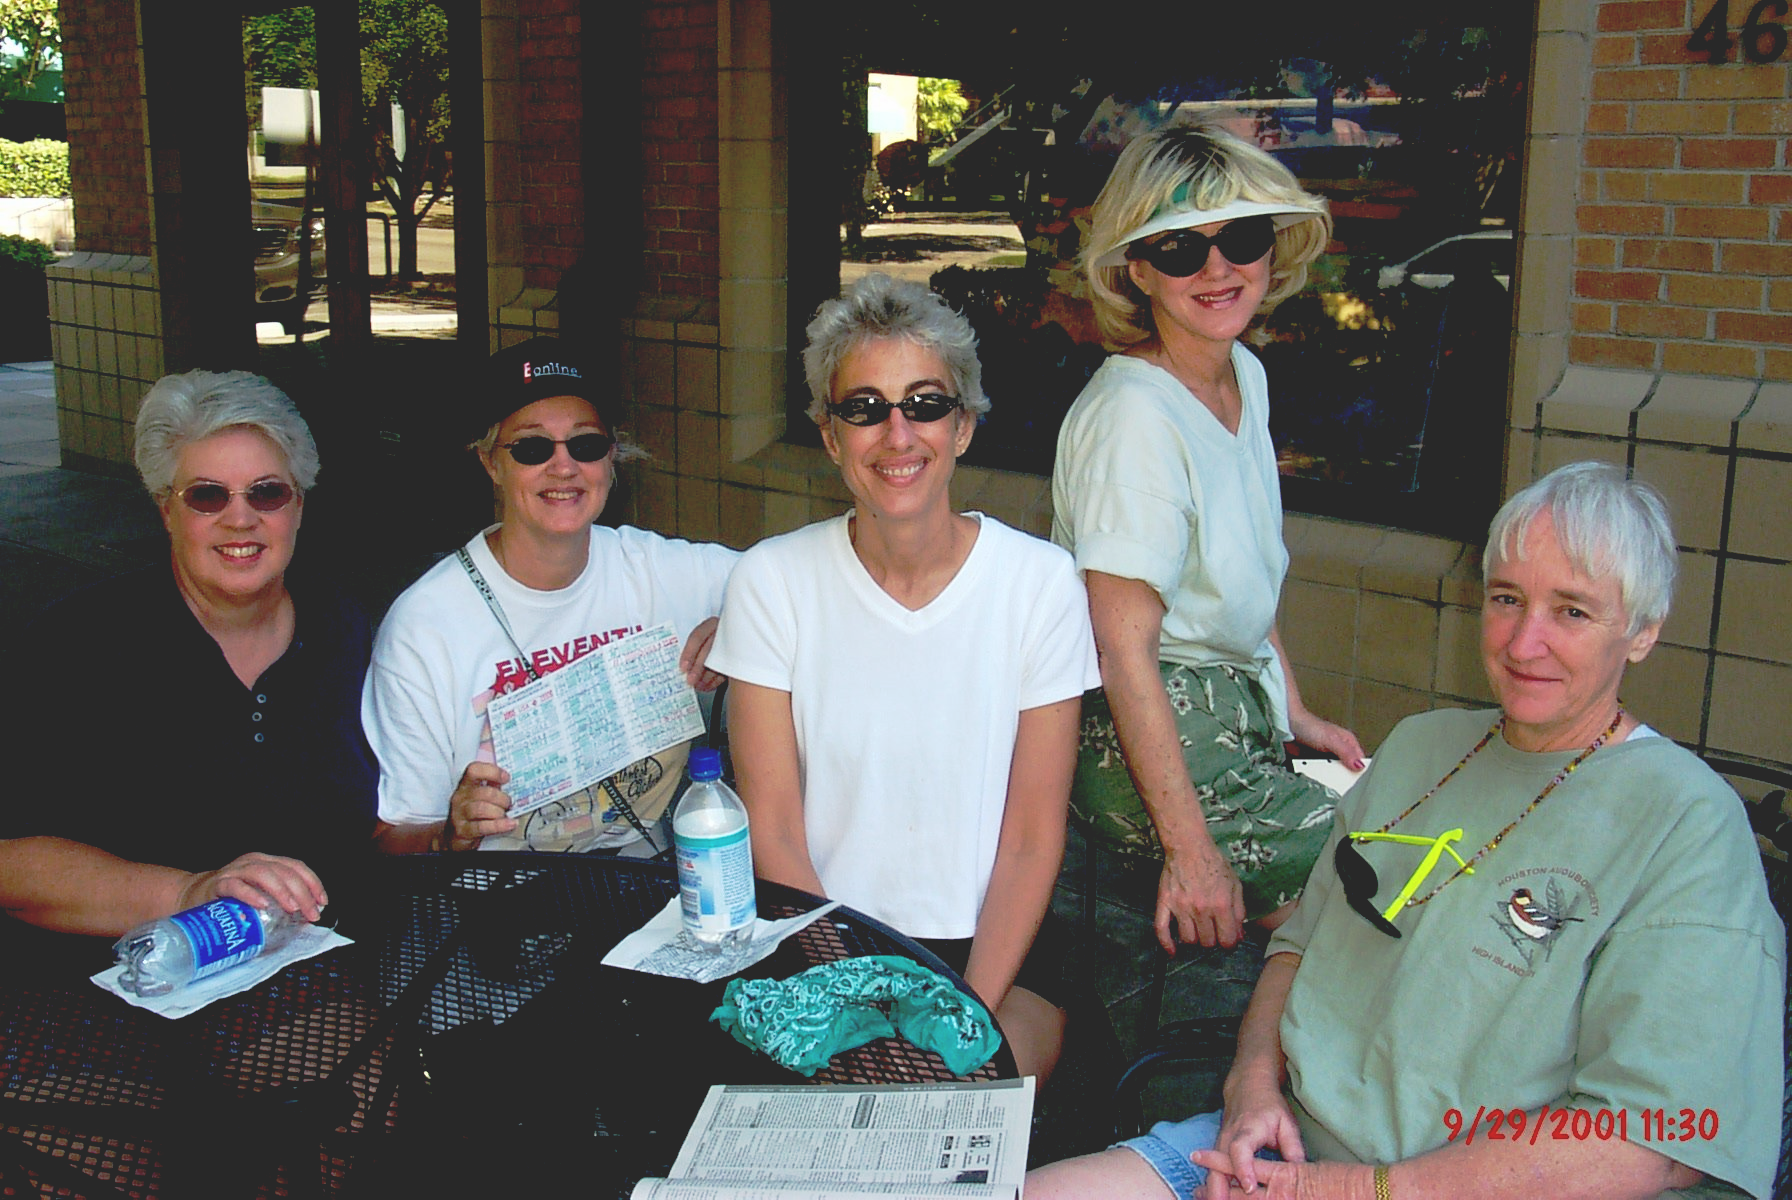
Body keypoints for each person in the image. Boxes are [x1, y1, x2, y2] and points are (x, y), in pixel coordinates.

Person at [1028, 462, 1786, 1200]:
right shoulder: (1422, 747)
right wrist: (1251, 1089)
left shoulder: (1686, 824)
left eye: (1573, 612)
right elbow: (1296, 952)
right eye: (1507, 599)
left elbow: (1654, 1143)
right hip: (1279, 1153)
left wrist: (1358, 1189)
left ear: (1644, 631)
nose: (1524, 644)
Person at [709, 273, 1100, 1081]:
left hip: (996, 951)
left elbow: (1031, 839)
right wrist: (851, 992)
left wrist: (955, 1012)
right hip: (824, 941)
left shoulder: (1040, 585)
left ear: (962, 428)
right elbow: (774, 830)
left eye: (925, 404)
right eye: (864, 408)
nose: (898, 434)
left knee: (947, 1115)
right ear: (828, 434)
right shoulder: (771, 582)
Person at [1052, 121, 1364, 954]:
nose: (1220, 268)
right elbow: (1123, 652)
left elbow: (1242, 578)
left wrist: (1295, 709)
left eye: (1243, 237)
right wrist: (1192, 855)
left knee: (1398, 856)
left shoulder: (1242, 375)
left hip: (1238, 712)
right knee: (1379, 896)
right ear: (1139, 270)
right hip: (1156, 736)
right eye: (1182, 248)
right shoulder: (1134, 417)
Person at [1, 370, 373, 935]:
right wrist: (189, 891)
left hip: (324, 980)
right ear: (166, 510)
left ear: (298, 506)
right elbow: (12, 863)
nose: (240, 517)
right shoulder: (76, 644)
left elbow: (382, 823)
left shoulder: (345, 628)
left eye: (267, 492)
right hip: (130, 993)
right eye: (206, 496)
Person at [365, 337, 738, 855]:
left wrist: (747, 622)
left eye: (585, 445)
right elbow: (392, 840)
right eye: (532, 448)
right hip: (492, 905)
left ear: (611, 460)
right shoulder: (424, 626)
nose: (563, 467)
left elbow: (812, 584)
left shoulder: (661, 570)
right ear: (489, 463)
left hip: (648, 884)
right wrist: (449, 836)